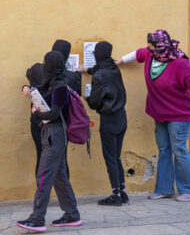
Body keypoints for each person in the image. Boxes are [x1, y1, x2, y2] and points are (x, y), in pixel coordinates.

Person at [115, 30, 190, 202]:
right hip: (159, 113)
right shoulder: (151, 54)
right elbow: (138, 53)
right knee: (164, 150)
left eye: (151, 47)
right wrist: (119, 61)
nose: (149, 50)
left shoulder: (179, 64)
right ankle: (165, 189)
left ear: (161, 46)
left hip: (179, 114)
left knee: (179, 150)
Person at [18, 51, 82, 232]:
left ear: (52, 65)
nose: (43, 66)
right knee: (60, 178)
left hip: (55, 135)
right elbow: (36, 89)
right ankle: (72, 215)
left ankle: (37, 219)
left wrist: (37, 113)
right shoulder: (50, 83)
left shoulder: (60, 86)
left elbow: (54, 113)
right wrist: (26, 88)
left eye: (46, 63)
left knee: (43, 176)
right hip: (50, 134)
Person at [79, 41, 128, 206]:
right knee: (116, 156)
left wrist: (87, 98)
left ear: (96, 55)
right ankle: (122, 191)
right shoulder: (114, 68)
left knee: (110, 158)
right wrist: (87, 70)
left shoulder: (99, 76)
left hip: (109, 120)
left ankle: (115, 195)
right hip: (122, 117)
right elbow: (102, 69)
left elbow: (94, 102)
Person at [25, 39, 82, 177]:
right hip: (61, 125)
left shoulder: (36, 69)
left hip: (38, 122)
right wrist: (78, 74)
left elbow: (30, 77)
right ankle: (65, 195)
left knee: (41, 158)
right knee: (62, 160)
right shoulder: (71, 76)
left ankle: (41, 192)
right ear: (67, 57)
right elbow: (77, 93)